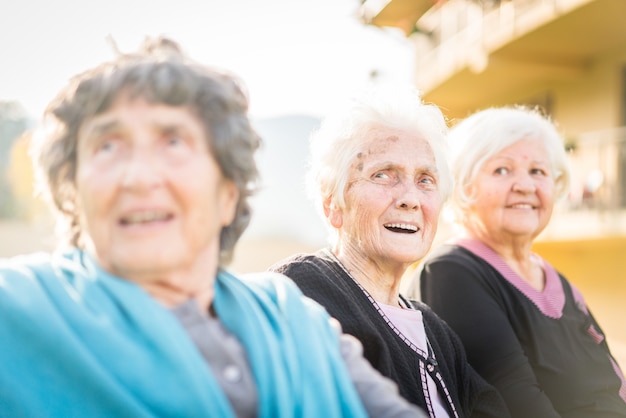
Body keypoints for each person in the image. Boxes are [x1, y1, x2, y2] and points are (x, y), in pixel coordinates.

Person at [0, 36, 428, 418]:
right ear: (72, 190)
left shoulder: (294, 317)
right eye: (107, 145)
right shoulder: (15, 310)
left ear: (227, 193)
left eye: (173, 142)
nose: (138, 176)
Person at [270, 87, 510, 418]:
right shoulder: (302, 292)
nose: (410, 198)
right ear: (333, 206)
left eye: (425, 180)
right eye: (383, 175)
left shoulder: (437, 332)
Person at [419, 106, 626, 417]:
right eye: (502, 170)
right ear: (464, 186)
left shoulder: (560, 284)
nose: (525, 186)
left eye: (537, 172)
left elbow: (615, 381)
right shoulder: (451, 272)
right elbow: (515, 400)